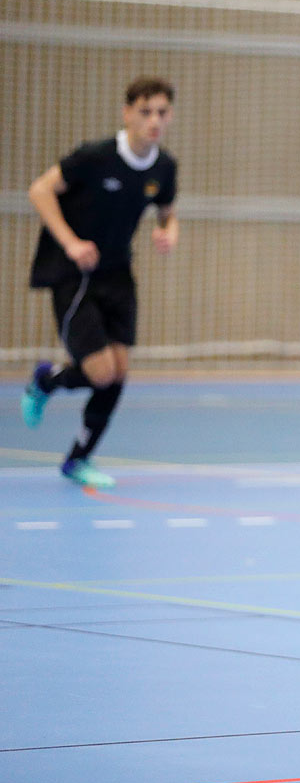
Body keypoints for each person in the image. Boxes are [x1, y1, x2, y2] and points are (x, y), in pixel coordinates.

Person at [20, 77, 180, 490]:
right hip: (75, 275)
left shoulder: (164, 168)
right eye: (145, 112)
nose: (154, 120)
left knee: (120, 371)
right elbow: (40, 190)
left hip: (118, 275)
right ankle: (46, 382)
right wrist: (71, 243)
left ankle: (78, 459)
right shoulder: (95, 157)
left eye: (161, 112)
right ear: (127, 113)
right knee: (100, 371)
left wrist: (169, 231)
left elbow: (166, 211)